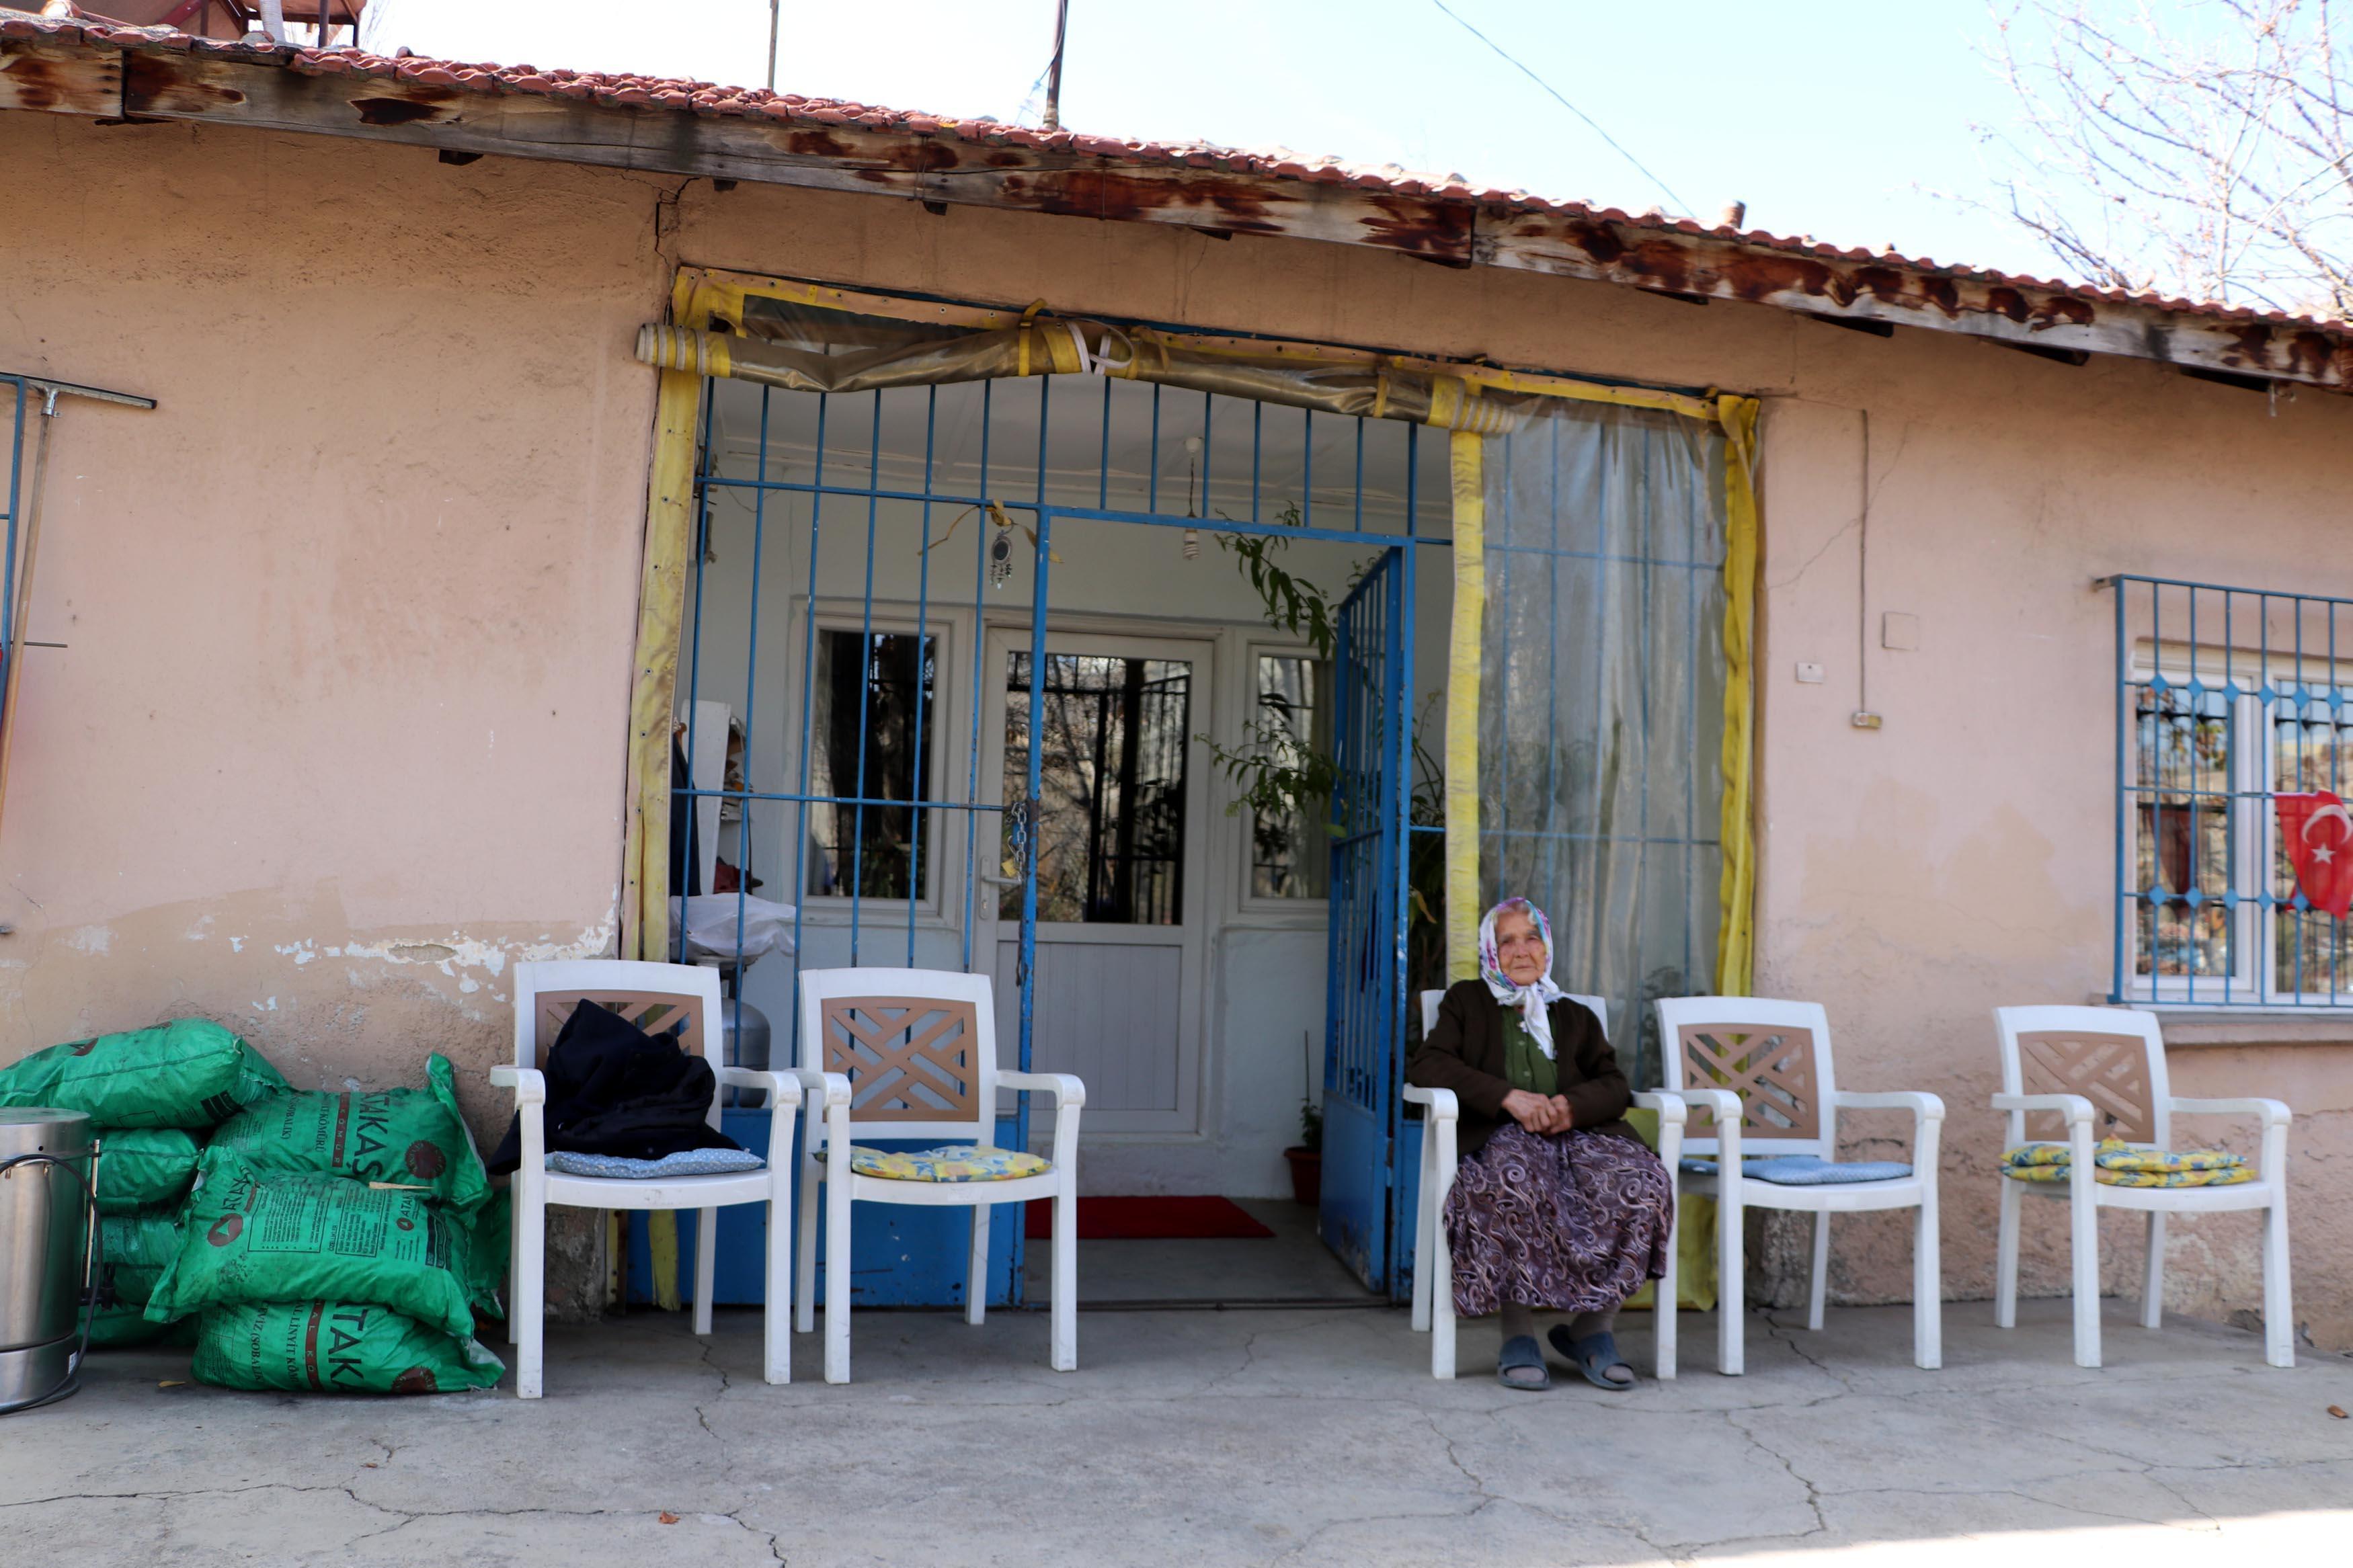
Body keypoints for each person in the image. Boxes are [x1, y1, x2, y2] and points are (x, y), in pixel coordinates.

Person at [1406, 897, 1675, 1391]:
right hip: (1500, 1136)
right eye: (1506, 940)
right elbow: (1428, 1065)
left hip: (1580, 1136)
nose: (1521, 950)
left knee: (1643, 1183)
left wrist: (1572, 1106)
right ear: (1491, 950)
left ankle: (1592, 1332)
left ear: (1547, 951)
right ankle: (1518, 1335)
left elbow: (1614, 1084)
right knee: (1514, 1183)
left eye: (1531, 938)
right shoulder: (1467, 1002)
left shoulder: (1573, 1014)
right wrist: (1507, 1096)